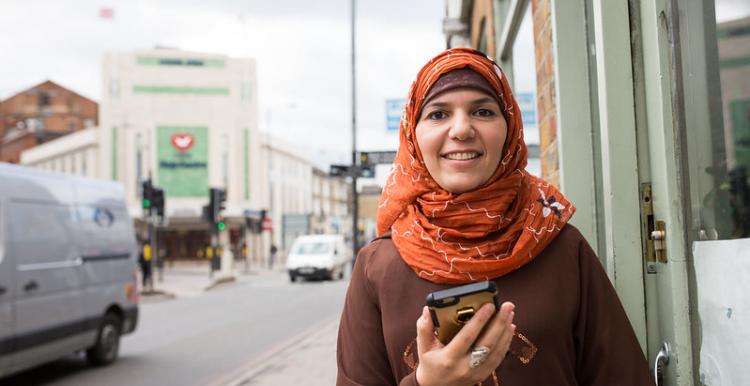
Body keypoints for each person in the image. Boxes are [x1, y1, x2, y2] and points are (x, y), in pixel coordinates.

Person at [336, 48, 654, 386]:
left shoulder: (559, 246)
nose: (461, 129)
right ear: (412, 135)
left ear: (510, 129)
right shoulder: (379, 265)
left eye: (483, 111)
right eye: (438, 114)